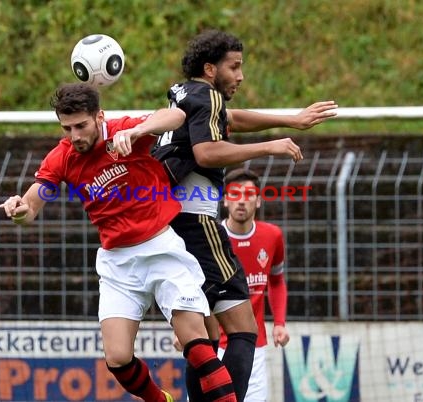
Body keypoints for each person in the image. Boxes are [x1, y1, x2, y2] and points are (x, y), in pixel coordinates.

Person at [0, 82, 238, 402]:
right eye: (67, 128)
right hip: (118, 264)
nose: (75, 136)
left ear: (99, 117)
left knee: (197, 346)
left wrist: (140, 131)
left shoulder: (123, 132)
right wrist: (19, 209)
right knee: (117, 358)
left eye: (81, 126)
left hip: (161, 249)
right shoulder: (62, 158)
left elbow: (176, 117)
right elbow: (32, 206)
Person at [151, 29, 337, 401]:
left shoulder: (187, 93)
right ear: (210, 68)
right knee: (244, 330)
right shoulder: (207, 97)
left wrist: (291, 121)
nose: (240, 76)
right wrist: (271, 146)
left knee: (204, 338)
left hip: (167, 222)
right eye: (234, 67)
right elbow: (206, 152)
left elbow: (230, 119)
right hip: (197, 223)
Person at [219, 168, 290, 402]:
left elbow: (277, 281)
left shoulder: (272, 236)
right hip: (212, 346)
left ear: (258, 201)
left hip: (254, 347)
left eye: (249, 194)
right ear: (225, 200)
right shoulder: (211, 237)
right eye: (235, 194)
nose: (241, 200)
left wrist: (279, 323)